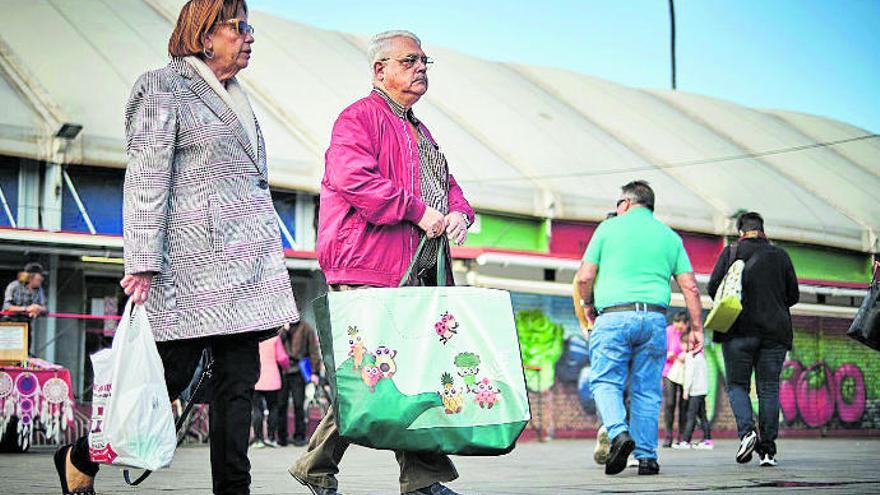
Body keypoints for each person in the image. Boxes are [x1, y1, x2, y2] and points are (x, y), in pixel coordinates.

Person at [53, 2, 299, 494]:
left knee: (239, 383)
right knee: (166, 380)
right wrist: (143, 261)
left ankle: (234, 489)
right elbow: (147, 178)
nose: (250, 37)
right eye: (240, 27)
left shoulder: (237, 96)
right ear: (206, 36)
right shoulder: (161, 87)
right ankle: (80, 456)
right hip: (189, 269)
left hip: (246, 273)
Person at [290, 30, 474, 495]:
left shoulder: (420, 130)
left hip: (413, 272)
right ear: (380, 70)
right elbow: (356, 181)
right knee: (381, 374)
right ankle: (418, 479)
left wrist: (459, 213)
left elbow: (446, 186)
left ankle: (335, 467)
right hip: (369, 268)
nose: (421, 68)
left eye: (425, 61)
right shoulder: (357, 120)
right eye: (410, 60)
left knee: (397, 373)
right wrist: (417, 210)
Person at [574, 180, 704, 476]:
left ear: (625, 204)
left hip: (613, 317)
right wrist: (697, 329)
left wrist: (587, 305)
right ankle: (647, 458)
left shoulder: (608, 229)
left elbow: (584, 277)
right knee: (647, 390)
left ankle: (619, 434)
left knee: (606, 381)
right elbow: (691, 287)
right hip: (654, 320)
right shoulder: (669, 237)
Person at [708, 211, 798, 467]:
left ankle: (747, 432)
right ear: (763, 230)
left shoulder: (732, 252)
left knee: (737, 385)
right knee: (768, 388)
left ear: (740, 232)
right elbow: (793, 295)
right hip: (775, 332)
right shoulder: (780, 256)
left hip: (737, 330)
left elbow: (715, 287)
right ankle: (768, 451)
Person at [279, 321, 322, 447]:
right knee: (281, 405)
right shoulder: (282, 327)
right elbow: (276, 346)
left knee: (298, 404)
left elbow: (313, 349)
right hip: (283, 370)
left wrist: (315, 372)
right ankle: (282, 437)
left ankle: (299, 435)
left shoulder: (306, 327)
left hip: (298, 370)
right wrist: (284, 332)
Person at [252, 335, 290, 448]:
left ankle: (258, 439)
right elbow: (282, 358)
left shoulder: (254, 338)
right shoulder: (274, 338)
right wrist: (286, 367)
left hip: (256, 377)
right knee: (273, 408)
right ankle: (271, 438)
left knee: (257, 409)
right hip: (273, 379)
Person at [677, 333, 713, 450]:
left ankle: (686, 441)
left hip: (695, 391)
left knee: (691, 416)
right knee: (702, 416)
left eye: (683, 343)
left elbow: (689, 375)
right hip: (702, 390)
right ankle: (707, 440)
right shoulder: (701, 357)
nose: (682, 346)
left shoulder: (690, 357)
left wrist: (686, 390)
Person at [2, 263, 48, 353]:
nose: (41, 279)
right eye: (39, 277)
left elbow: (45, 308)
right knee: (9, 352)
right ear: (31, 277)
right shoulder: (14, 286)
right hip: (9, 323)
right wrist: (27, 309)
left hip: (25, 324)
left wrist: (38, 308)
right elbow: (7, 307)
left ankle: (24, 363)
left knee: (25, 352)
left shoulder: (39, 290)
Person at [662, 311, 690, 447]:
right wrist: (670, 355)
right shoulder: (668, 331)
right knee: (670, 403)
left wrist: (687, 356)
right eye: (676, 324)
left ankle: (681, 436)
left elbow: (699, 351)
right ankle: (668, 435)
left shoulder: (691, 334)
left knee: (684, 405)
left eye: (681, 325)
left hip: (685, 373)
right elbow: (662, 349)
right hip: (669, 371)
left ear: (687, 324)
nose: (678, 328)